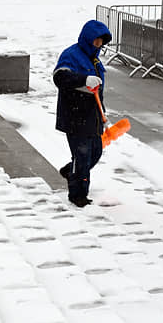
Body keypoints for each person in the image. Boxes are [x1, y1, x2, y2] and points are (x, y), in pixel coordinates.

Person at [53, 19, 112, 208]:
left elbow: (96, 90)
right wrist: (83, 79)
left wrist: (102, 111)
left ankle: (71, 171)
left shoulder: (94, 59)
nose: (99, 44)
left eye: (101, 41)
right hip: (75, 116)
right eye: (96, 41)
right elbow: (60, 77)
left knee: (95, 152)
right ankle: (78, 194)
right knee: (83, 156)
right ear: (87, 38)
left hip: (92, 116)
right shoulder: (72, 55)